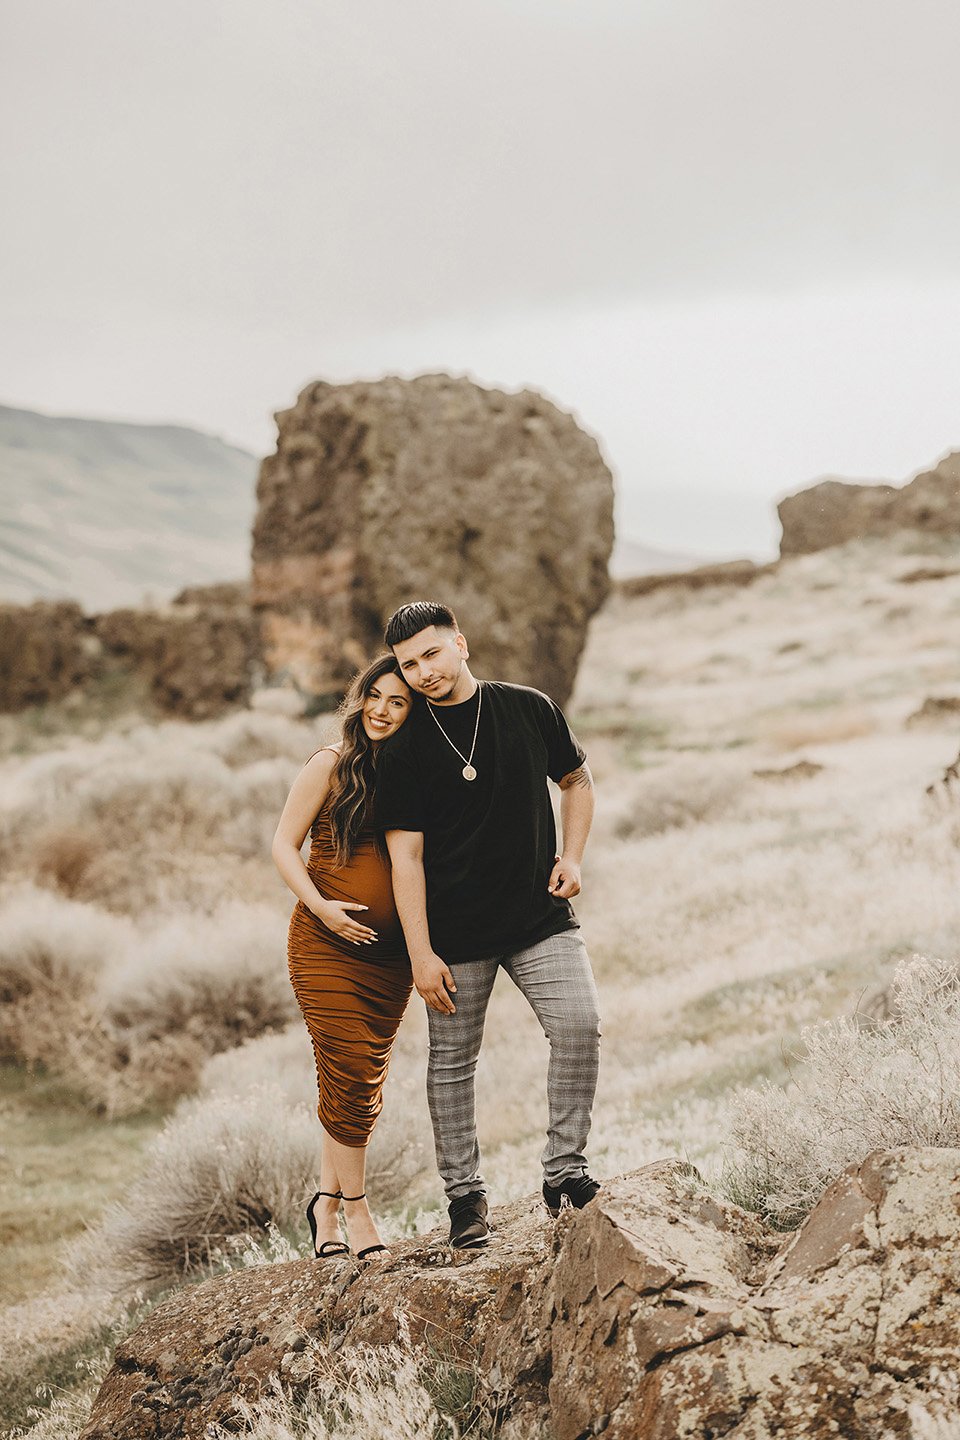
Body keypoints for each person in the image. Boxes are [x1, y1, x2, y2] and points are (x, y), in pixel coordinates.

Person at [375, 601, 602, 1249]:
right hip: (454, 937)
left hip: (539, 917)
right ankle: (466, 1200)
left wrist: (573, 855)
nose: (422, 672)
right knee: (452, 1065)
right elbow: (406, 859)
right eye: (408, 664)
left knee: (580, 1026)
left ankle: (565, 1172)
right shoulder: (406, 748)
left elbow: (577, 779)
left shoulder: (529, 707)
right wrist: (420, 952)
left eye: (432, 654)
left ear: (461, 645)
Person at [272, 654, 414, 1261]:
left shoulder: (414, 773)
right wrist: (323, 906)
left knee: (357, 1082)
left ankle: (323, 1207)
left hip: (393, 961)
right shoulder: (329, 764)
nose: (382, 711)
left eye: (398, 702)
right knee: (352, 1071)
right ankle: (357, 1212)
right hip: (324, 945)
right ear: (360, 699)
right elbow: (283, 844)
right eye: (374, 697)